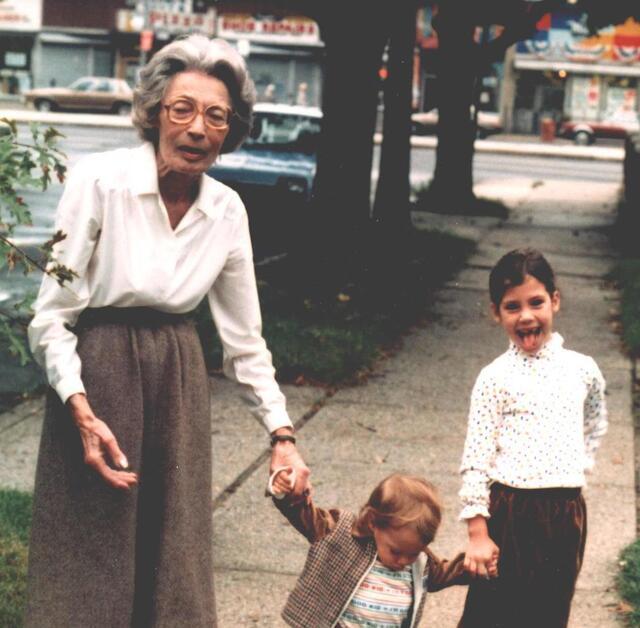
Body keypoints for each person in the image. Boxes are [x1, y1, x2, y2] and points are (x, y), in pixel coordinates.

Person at [25, 34, 310, 627]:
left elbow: (245, 340)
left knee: (173, 549)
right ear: (154, 113)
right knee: (92, 545)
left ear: (230, 131)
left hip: (178, 374)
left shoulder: (228, 210)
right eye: (182, 110)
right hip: (99, 370)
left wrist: (281, 433)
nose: (198, 129)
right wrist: (79, 406)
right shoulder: (100, 182)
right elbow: (52, 315)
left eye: (216, 116)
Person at [457, 248, 608, 628]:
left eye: (536, 302)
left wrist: (578, 467)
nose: (526, 315)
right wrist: (477, 531)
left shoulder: (582, 369)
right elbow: (476, 457)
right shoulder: (495, 377)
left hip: (565, 514)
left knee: (548, 614)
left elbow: (595, 420)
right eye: (512, 307)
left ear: (555, 301)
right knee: (493, 615)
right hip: (511, 513)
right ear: (496, 312)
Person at [269, 471, 490, 628]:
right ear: (374, 522)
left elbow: (442, 573)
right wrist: (287, 493)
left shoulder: (418, 561)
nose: (404, 560)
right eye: (396, 551)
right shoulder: (340, 533)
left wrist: (472, 566)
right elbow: (305, 517)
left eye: (413, 553)